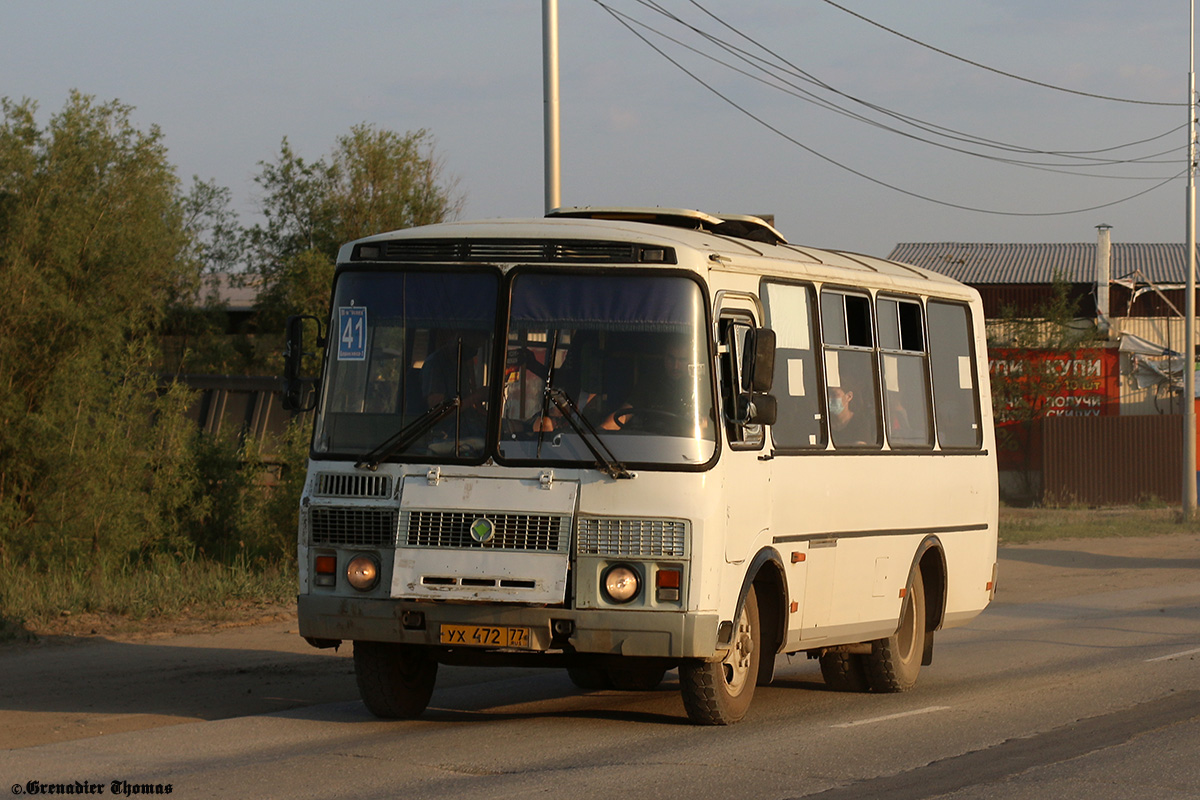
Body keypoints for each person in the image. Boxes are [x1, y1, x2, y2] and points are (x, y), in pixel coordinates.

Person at [601, 336, 704, 434]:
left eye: (682, 360)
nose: (675, 366)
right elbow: (625, 413)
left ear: (691, 360)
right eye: (671, 358)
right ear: (664, 357)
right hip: (651, 442)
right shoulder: (650, 383)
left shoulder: (699, 387)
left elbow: (704, 424)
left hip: (686, 445)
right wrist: (601, 431)